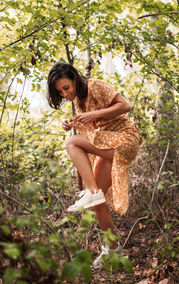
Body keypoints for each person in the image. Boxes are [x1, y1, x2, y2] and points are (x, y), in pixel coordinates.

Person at [47, 62, 139, 268]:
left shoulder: (96, 85)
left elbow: (125, 106)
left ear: (74, 79)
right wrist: (73, 123)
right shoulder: (79, 100)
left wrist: (92, 115)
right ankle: (113, 251)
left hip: (124, 140)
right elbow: (92, 130)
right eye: (60, 92)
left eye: (66, 88)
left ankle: (93, 191)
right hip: (107, 145)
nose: (64, 94)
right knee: (97, 204)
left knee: (71, 142)